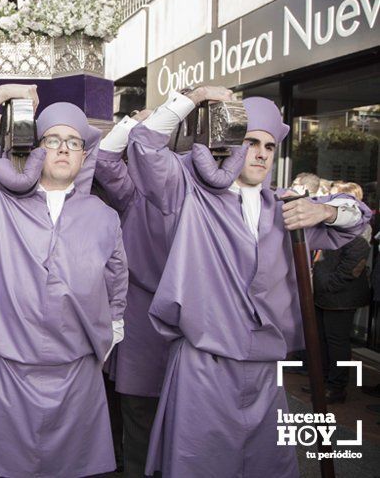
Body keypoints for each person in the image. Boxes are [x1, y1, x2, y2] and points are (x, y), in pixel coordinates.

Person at [130, 88, 371, 477]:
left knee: (266, 468)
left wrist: (323, 211)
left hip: (265, 374)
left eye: (269, 146)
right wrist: (198, 96)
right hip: (203, 367)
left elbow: (360, 219)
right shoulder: (191, 194)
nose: (260, 153)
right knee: (198, 467)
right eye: (250, 141)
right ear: (229, 144)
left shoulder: (288, 208)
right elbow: (144, 143)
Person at [0, 84, 128, 477]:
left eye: (73, 142)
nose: (62, 148)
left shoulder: (103, 217)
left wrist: (109, 338)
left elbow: (116, 283)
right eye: (52, 139)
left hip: (74, 377)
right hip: (2, 373)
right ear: (35, 146)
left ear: (84, 155)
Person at [93, 107, 178, 478]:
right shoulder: (135, 192)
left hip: (177, 327)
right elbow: (104, 156)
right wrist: (137, 122)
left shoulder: (194, 191)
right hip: (143, 322)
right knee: (141, 416)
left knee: (161, 417)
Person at [308, 181, 372, 404]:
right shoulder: (330, 224)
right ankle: (322, 380)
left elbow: (353, 264)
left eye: (334, 196)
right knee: (323, 340)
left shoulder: (360, 228)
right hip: (324, 295)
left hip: (341, 297)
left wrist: (328, 286)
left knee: (337, 343)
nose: (328, 199)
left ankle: (337, 387)